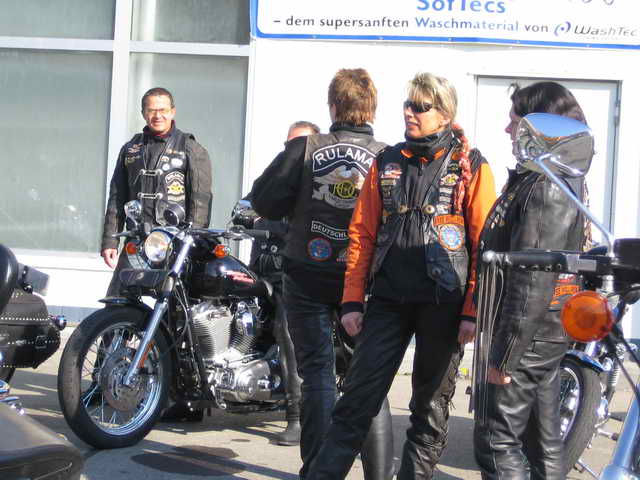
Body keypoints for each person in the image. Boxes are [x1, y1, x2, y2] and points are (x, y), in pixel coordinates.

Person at [306, 72, 497, 480]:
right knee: (354, 402)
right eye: (408, 104)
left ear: (444, 114)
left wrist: (472, 310)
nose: (410, 112)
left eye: (420, 106)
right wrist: (352, 301)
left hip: (444, 305)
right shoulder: (387, 161)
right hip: (389, 301)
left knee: (429, 411)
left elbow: (486, 246)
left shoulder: (472, 166)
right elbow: (361, 233)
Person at [251, 68, 394, 480]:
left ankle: (316, 472)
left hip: (308, 274)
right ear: (372, 108)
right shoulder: (389, 157)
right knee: (368, 378)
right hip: (365, 282)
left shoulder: (306, 148)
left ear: (332, 106)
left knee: (316, 373)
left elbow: (264, 200)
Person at [473, 81, 589, 480]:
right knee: (543, 441)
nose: (508, 130)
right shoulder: (553, 177)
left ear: (541, 127)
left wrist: (506, 355)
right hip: (544, 332)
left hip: (530, 334)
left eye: (516, 122)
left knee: (496, 441)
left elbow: (532, 278)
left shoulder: (545, 186)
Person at [243, 119, 320, 446]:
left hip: (296, 278)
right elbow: (247, 205)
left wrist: (270, 223)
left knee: (287, 329)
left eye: (300, 144)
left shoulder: (319, 183)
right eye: (290, 144)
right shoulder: (276, 178)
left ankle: (297, 415)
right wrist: (249, 215)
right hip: (260, 273)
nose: (293, 150)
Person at [101, 87, 213, 298]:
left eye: (163, 110)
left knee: (175, 305)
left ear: (172, 112)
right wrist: (110, 241)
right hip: (137, 240)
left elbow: (200, 201)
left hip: (175, 241)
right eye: (151, 110)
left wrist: (192, 241)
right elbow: (117, 197)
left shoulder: (191, 148)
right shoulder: (130, 149)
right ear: (143, 113)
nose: (157, 115)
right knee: (117, 300)